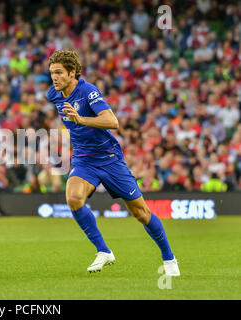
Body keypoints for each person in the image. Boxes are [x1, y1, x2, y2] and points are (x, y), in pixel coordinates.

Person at [46, 50, 179, 276]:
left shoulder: (88, 91)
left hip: (109, 159)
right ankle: (104, 251)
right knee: (73, 198)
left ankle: (169, 258)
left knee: (141, 213)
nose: (54, 78)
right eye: (52, 73)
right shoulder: (54, 94)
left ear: (72, 73)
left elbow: (112, 121)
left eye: (59, 73)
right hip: (83, 159)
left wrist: (81, 119)